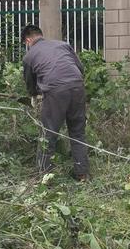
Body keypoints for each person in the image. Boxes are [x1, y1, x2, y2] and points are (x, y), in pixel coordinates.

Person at [21, 24, 89, 180]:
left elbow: (30, 83)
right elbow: (79, 67)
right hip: (77, 86)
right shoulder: (63, 45)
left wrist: (34, 95)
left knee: (48, 133)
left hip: (55, 91)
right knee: (78, 132)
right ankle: (82, 174)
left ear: (28, 39)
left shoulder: (29, 56)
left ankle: (43, 176)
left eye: (26, 43)